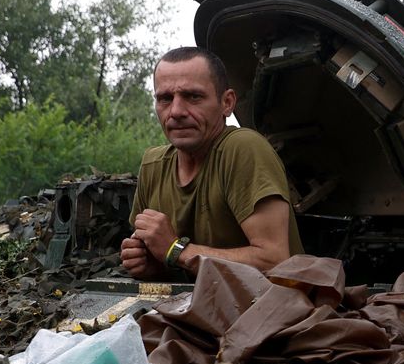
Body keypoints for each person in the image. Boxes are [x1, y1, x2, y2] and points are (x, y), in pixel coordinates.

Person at [121, 46, 303, 279]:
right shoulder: (153, 165)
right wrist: (152, 264)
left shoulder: (242, 148)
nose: (176, 111)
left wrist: (176, 250)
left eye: (193, 97)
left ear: (227, 103)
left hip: (274, 310)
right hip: (196, 308)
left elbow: (274, 261)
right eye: (165, 98)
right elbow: (160, 256)